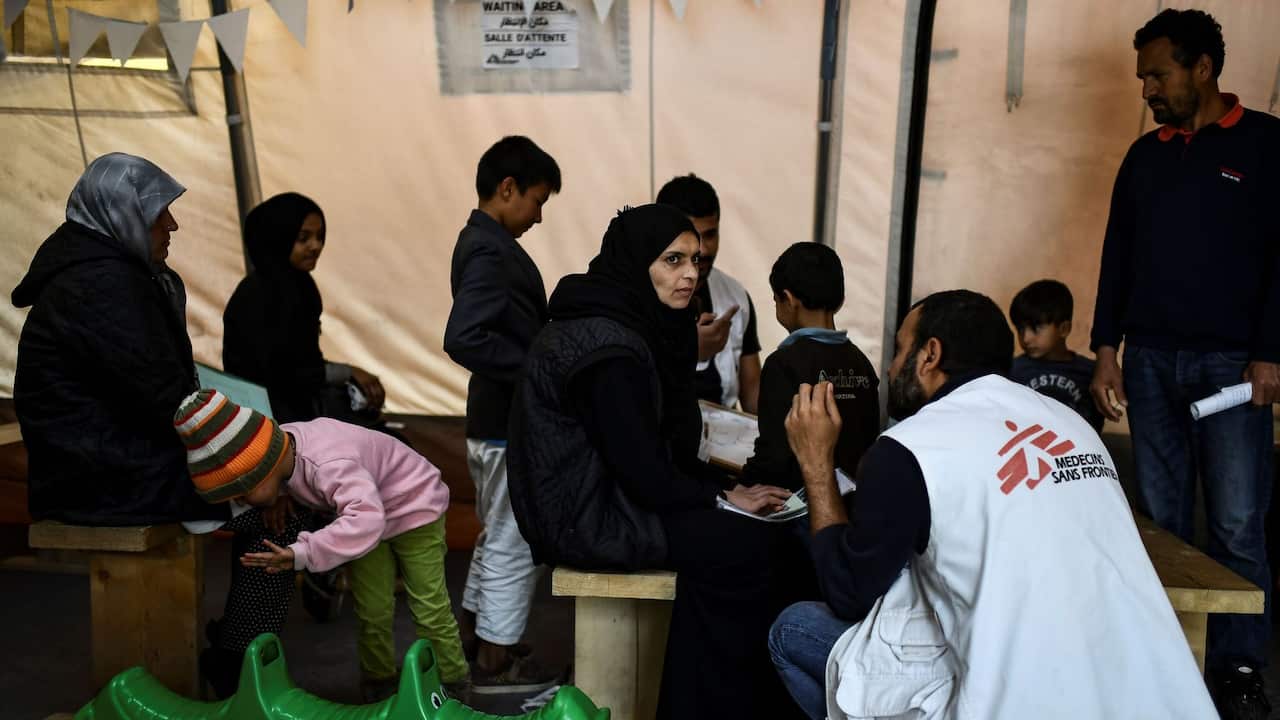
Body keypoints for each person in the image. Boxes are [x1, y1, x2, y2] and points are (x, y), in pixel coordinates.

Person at [769, 290, 1216, 720]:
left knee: (793, 629)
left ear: (930, 355)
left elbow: (848, 593)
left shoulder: (912, 446)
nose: (890, 368)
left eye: (900, 350)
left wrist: (816, 463)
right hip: (1148, 690)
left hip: (1017, 697)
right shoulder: (1072, 424)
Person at [11, 153, 312, 698]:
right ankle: (234, 663)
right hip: (101, 475)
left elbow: (164, 392)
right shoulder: (100, 285)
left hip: (114, 458)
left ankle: (234, 655)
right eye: (159, 214)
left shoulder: (108, 274)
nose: (171, 225)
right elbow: (168, 397)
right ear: (121, 215)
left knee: (280, 492)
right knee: (280, 507)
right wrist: (258, 470)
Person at [508, 204, 796, 719]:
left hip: (611, 501)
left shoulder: (631, 323)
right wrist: (723, 498)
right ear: (637, 262)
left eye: (696, 259)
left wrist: (723, 494)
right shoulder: (608, 346)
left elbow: (661, 456)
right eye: (672, 259)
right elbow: (644, 472)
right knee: (750, 550)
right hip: (588, 519)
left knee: (762, 537)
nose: (690, 273)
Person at [1089, 10, 1280, 716]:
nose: (1147, 88)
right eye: (1142, 76)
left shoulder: (1265, 146)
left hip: (1233, 368)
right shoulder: (1145, 157)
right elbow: (1117, 256)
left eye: (1157, 74)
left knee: (1235, 524)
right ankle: (1163, 661)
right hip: (1148, 362)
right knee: (1159, 520)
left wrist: (1270, 354)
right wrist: (1106, 348)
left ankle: (1235, 671)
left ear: (1203, 69)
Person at [173, 389, 469, 702]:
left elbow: (366, 519)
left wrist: (304, 552)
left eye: (241, 494)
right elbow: (357, 514)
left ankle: (454, 684)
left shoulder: (329, 464)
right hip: (367, 514)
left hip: (415, 507)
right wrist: (281, 494)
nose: (239, 502)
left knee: (429, 606)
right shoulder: (280, 449)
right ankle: (379, 683)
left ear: (261, 471)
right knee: (371, 608)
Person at [443, 135, 561, 693]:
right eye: (537, 200)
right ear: (506, 188)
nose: (539, 217)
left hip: (493, 422)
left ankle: (477, 637)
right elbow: (465, 336)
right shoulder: (490, 250)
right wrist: (538, 366)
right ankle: (495, 662)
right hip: (507, 424)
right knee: (518, 541)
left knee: (499, 534)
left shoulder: (482, 241)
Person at [223, 192, 386, 426]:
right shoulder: (260, 295)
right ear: (279, 238)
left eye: (320, 237)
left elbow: (304, 361)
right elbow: (284, 374)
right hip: (267, 417)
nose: (315, 246)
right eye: (303, 238)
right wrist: (348, 373)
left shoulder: (300, 286)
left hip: (298, 406)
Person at [740, 242, 879, 492]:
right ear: (841, 301)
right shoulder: (862, 363)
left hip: (797, 510)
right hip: (852, 503)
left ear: (788, 300)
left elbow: (774, 457)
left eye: (776, 301)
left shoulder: (783, 364)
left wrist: (738, 488)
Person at [656, 174, 762, 413]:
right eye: (692, 235)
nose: (702, 249)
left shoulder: (735, 295)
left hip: (724, 446)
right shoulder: (634, 298)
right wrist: (690, 352)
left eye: (711, 234)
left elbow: (753, 394)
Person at [1008, 279, 1103, 431]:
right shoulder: (1012, 371)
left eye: (1036, 328)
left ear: (1064, 329)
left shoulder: (1091, 373)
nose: (1026, 338)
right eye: (1020, 329)